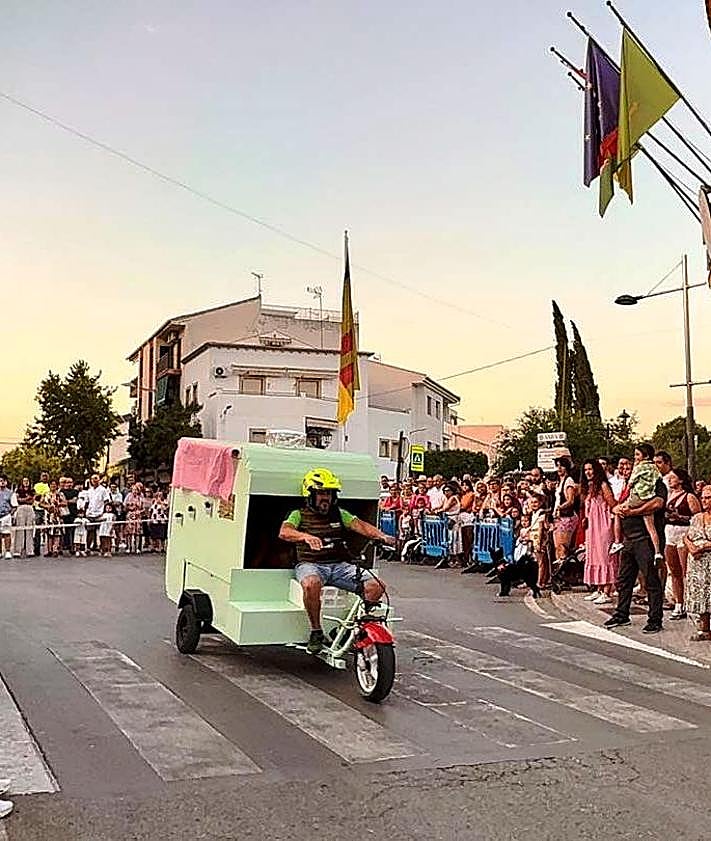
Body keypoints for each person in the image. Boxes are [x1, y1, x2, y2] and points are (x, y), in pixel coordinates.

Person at [279, 468, 396, 654]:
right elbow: (285, 532)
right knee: (311, 584)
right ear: (310, 495)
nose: (325, 498)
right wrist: (305, 537)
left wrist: (382, 535)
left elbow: (361, 526)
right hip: (310, 565)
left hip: (338, 565)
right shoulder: (298, 513)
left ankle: (350, 631)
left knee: (377, 586)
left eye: (329, 493)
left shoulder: (339, 513)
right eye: (321, 493)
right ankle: (316, 631)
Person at [605, 461, 667, 634]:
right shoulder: (629, 488)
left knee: (651, 580)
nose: (625, 470)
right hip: (629, 540)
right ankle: (622, 613)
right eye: (622, 467)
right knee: (624, 580)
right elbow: (617, 506)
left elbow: (657, 504)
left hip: (644, 539)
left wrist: (632, 512)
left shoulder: (656, 484)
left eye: (629, 467)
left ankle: (655, 619)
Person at [610, 444, 663, 563]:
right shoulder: (654, 468)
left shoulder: (639, 467)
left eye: (637, 454)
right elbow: (658, 477)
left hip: (638, 496)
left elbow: (632, 482)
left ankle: (617, 541)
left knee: (618, 511)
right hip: (649, 496)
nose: (635, 457)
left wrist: (624, 503)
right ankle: (657, 552)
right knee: (651, 527)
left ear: (646, 455)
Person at [665, 468, 700, 620]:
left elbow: (697, 518)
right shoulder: (669, 495)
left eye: (673, 478)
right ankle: (679, 602)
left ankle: (690, 601)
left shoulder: (689, 496)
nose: (670, 480)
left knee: (685, 569)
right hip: (670, 532)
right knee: (674, 570)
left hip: (683, 532)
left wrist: (679, 516)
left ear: (680, 480)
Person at [580, 459, 617, 605]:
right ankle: (599, 588)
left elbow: (612, 503)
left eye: (590, 469)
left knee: (604, 556)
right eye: (586, 470)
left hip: (603, 525)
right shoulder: (590, 488)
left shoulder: (602, 485)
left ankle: (607, 590)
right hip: (592, 526)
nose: (588, 472)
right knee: (594, 555)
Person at [683, 485, 711, 641]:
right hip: (697, 561)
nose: (704, 500)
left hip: (709, 559)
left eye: (708, 497)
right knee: (701, 594)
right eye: (703, 497)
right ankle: (704, 628)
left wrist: (705, 546)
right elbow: (686, 536)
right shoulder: (697, 517)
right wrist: (691, 546)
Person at [552, 457, 578, 563]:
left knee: (563, 547)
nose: (559, 468)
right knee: (557, 547)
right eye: (557, 466)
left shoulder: (568, 481)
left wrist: (560, 507)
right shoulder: (559, 482)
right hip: (558, 517)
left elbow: (570, 500)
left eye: (561, 466)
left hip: (566, 517)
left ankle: (565, 571)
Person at [83, 474, 111, 554]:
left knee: (103, 532)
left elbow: (106, 501)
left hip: (100, 513)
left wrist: (104, 512)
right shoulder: (89, 491)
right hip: (90, 514)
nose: (94, 481)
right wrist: (85, 512)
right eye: (93, 479)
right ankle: (88, 548)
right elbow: (87, 502)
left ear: (99, 480)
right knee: (90, 531)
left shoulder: (103, 490)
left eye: (96, 479)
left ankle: (103, 548)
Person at [13, 477, 35, 558]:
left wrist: (25, 499)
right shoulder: (18, 490)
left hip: (30, 508)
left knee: (29, 529)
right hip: (21, 508)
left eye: (27, 481)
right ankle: (17, 551)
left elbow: (32, 500)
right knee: (20, 529)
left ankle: (30, 550)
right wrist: (26, 498)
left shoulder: (32, 491)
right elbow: (18, 500)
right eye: (24, 481)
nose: (26, 482)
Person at [124, 482, 144, 554]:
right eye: (133, 490)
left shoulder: (141, 498)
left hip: (138, 516)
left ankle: (137, 548)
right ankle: (129, 547)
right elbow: (125, 506)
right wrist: (128, 508)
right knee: (129, 532)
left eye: (136, 490)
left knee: (137, 532)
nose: (135, 491)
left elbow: (143, 508)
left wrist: (140, 512)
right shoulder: (128, 497)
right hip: (130, 515)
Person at [0, 476, 17, 559]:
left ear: (6, 482)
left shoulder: (11, 493)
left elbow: (14, 506)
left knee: (7, 534)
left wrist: (10, 515)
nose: (2, 482)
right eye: (0, 481)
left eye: (3, 481)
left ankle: (7, 551)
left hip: (6, 515)